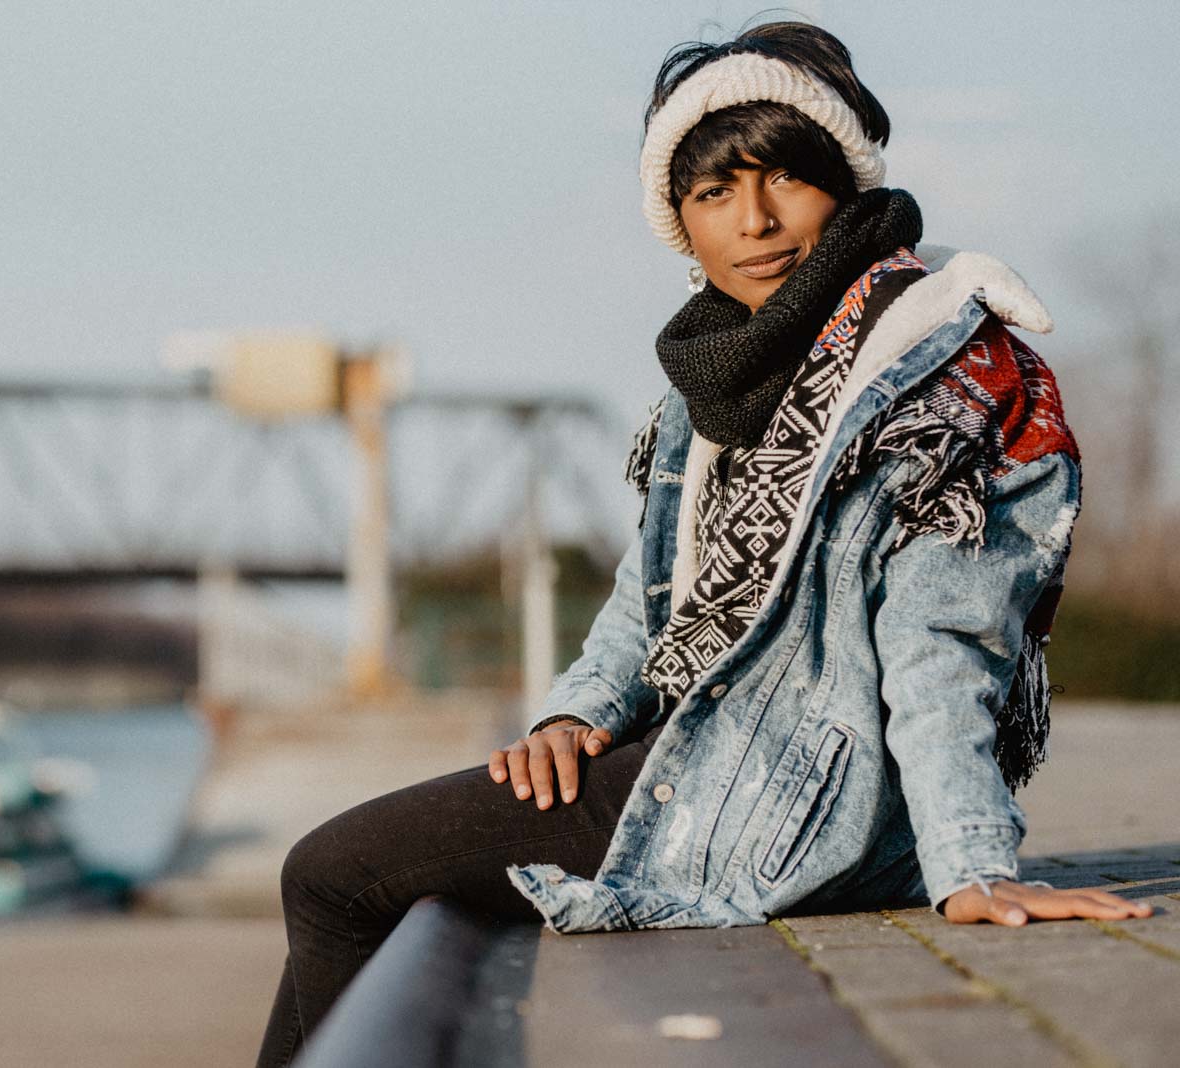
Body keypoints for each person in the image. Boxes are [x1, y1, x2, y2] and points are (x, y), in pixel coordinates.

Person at [255, 20, 1152, 1067]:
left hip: (800, 797)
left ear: (847, 185)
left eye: (784, 180)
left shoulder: (941, 378)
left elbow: (944, 642)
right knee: (345, 880)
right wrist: (574, 713)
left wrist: (968, 862)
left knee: (330, 875)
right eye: (713, 195)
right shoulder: (716, 377)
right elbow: (650, 602)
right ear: (678, 222)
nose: (755, 222)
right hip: (711, 750)